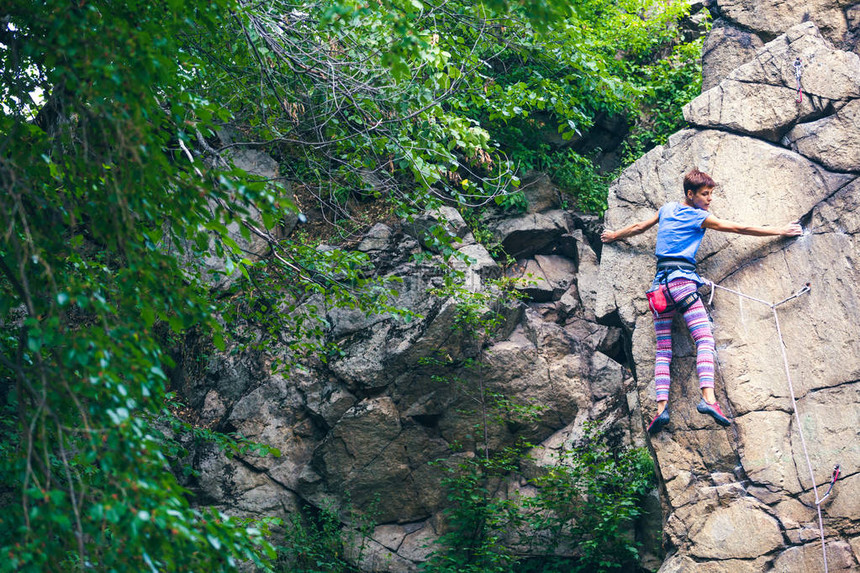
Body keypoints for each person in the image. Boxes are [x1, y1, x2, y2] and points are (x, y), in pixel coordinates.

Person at [600, 169, 802, 433]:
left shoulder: (667, 209)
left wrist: (614, 235)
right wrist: (780, 231)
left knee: (663, 350)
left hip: (659, 289)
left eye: (710, 194)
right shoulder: (700, 217)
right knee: (704, 340)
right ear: (690, 194)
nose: (709, 199)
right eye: (705, 194)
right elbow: (739, 228)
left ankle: (661, 410)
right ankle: (708, 399)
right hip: (682, 285)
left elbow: (640, 227)